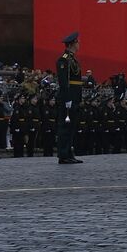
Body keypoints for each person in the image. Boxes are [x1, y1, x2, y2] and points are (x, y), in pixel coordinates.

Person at [55, 32, 83, 164]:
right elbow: (64, 81)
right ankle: (63, 154)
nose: (79, 44)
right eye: (77, 42)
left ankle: (69, 153)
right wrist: (67, 99)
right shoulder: (64, 59)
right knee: (65, 127)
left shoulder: (72, 59)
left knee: (71, 127)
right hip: (68, 98)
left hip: (74, 97)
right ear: (72, 44)